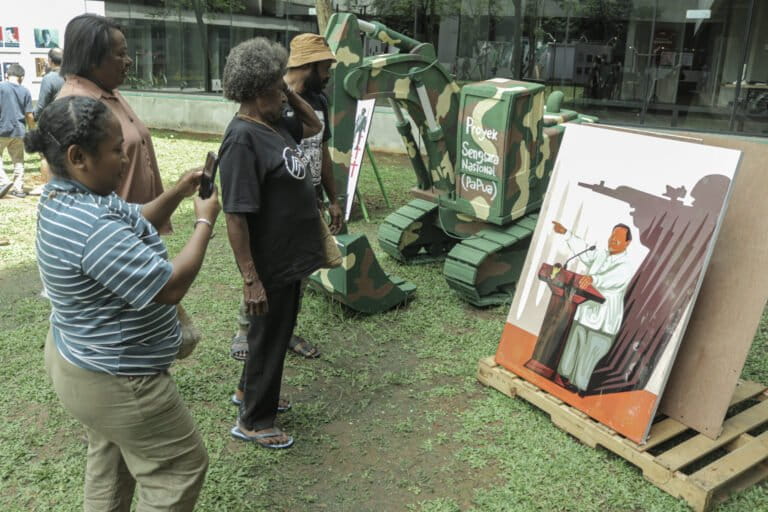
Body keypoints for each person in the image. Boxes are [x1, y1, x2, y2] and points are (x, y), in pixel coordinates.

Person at [29, 95, 219, 510]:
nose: (124, 159)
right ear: (78, 156)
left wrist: (179, 192)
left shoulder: (67, 197)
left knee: (110, 458)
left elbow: (134, 219)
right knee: (179, 466)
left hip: (80, 360)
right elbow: (169, 287)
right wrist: (204, 221)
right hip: (118, 379)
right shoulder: (91, 226)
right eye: (118, 151)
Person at [218, 38, 324, 448]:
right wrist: (250, 278)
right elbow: (236, 215)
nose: (282, 93)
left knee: (274, 334)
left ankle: (249, 392)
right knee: (268, 337)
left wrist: (288, 95)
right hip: (268, 261)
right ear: (254, 91)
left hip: (289, 256)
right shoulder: (242, 138)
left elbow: (314, 126)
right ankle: (254, 421)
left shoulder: (274, 122)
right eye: (274, 87)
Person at [229, 33, 341, 362]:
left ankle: (284, 332)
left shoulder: (310, 105)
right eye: (325, 66)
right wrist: (282, 91)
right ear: (309, 65)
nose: (329, 73)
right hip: (274, 212)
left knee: (297, 277)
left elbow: (319, 142)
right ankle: (246, 330)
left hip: (306, 203)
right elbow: (237, 210)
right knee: (266, 276)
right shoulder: (257, 120)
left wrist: (332, 198)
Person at [57, 14, 170, 232]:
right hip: (112, 234)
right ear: (92, 58)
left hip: (135, 226)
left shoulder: (110, 91)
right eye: (121, 54)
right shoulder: (75, 106)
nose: (129, 61)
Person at [551, 221, 635, 392]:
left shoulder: (626, 265)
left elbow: (613, 279)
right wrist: (566, 233)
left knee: (590, 355)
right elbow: (584, 249)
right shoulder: (600, 255)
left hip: (604, 320)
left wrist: (594, 279)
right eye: (612, 236)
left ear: (627, 243)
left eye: (618, 238)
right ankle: (563, 377)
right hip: (584, 311)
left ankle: (579, 386)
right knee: (573, 345)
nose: (613, 240)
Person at [28, 48, 65, 196]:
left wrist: (34, 117)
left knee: (45, 155)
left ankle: (47, 186)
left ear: (50, 61)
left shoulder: (49, 78)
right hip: (69, 120)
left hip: (51, 122)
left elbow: (42, 103)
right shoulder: (70, 76)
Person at [0, 63, 34, 198]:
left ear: (7, 75)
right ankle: (19, 189)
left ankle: (4, 181)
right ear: (22, 77)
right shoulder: (25, 91)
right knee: (18, 160)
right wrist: (32, 130)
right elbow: (29, 115)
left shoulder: (1, 87)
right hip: (19, 131)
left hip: (2, 129)